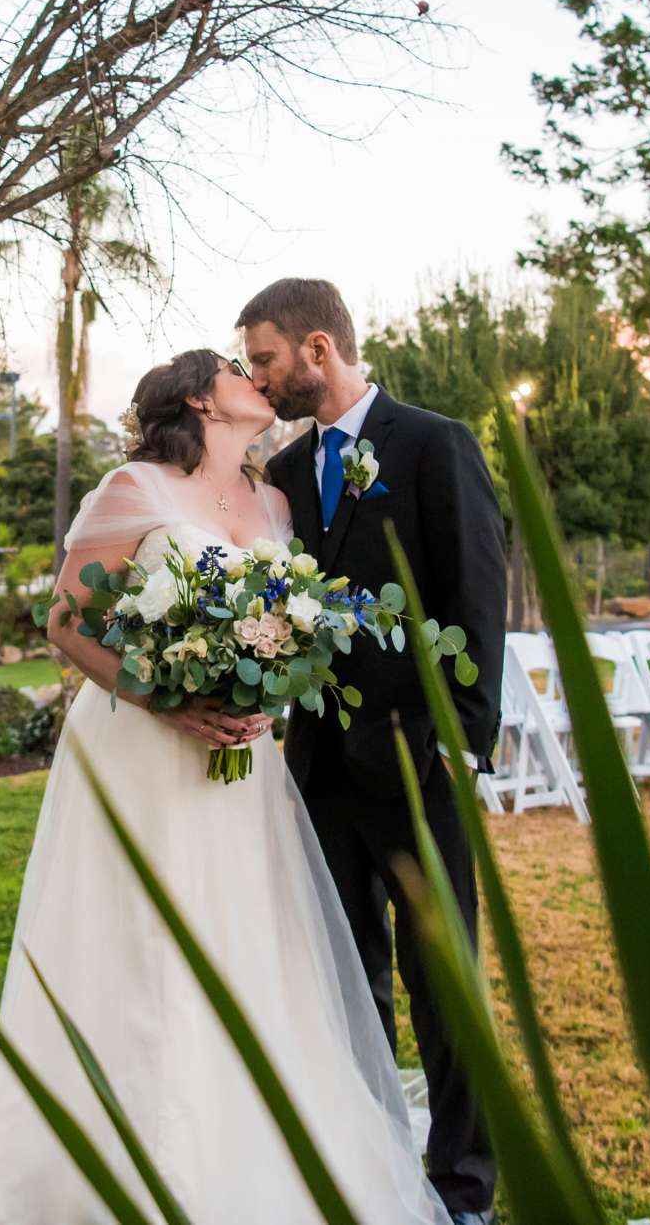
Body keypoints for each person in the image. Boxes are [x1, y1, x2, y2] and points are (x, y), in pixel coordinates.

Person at [0, 349, 450, 1225]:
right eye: (238, 366)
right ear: (200, 396)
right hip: (143, 750)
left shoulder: (273, 500)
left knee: (247, 933)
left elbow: (284, 622)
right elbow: (67, 620)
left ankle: (258, 1146)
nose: (255, 378)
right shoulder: (134, 488)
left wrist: (268, 687)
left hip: (245, 762)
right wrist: (167, 699)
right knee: (143, 937)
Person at [241, 278, 505, 1225]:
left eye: (264, 359)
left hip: (418, 762)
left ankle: (464, 1187)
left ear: (318, 350)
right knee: (351, 978)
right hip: (319, 773)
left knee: (444, 982)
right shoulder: (278, 477)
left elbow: (476, 594)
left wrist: (461, 743)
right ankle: (377, 1168)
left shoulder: (434, 445)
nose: (255, 379)